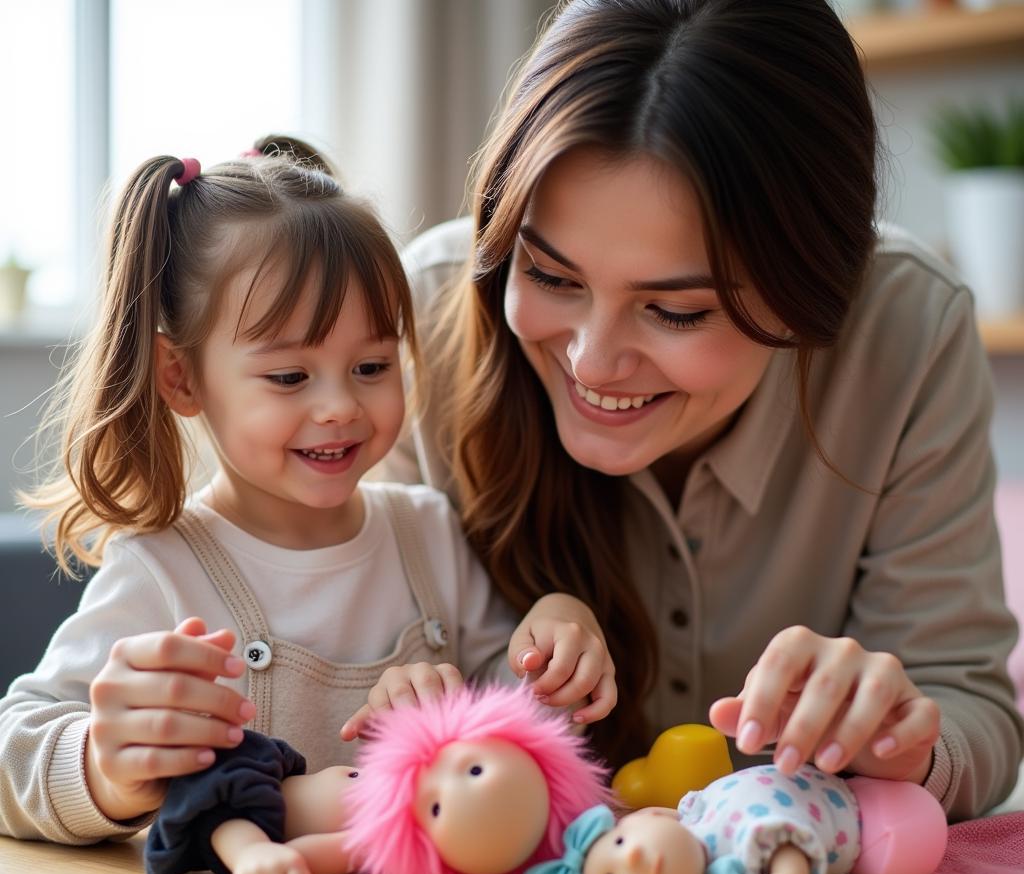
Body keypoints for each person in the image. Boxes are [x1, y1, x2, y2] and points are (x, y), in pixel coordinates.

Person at [383, 0, 1023, 820]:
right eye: (550, 276)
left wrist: (904, 739)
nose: (591, 360)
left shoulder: (907, 329)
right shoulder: (422, 312)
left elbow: (974, 712)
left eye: (675, 312)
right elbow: (343, 679)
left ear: (810, 295)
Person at [0, 137, 617, 874]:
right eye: (290, 375)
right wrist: (104, 765)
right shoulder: (162, 567)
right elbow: (14, 755)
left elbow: (521, 739)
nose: (339, 407)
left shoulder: (426, 532)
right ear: (181, 378)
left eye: (371, 367)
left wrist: (554, 633)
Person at [515, 763, 948, 874]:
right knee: (909, 852)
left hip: (860, 779)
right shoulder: (742, 856)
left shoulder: (693, 814)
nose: (633, 863)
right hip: (886, 834)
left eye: (622, 841)